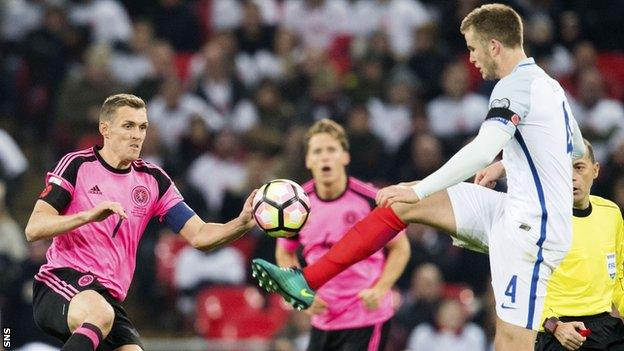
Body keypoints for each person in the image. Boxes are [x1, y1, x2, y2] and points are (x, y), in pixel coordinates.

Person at [250, 4, 585, 351]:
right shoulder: (548, 86)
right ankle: (305, 280)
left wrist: (430, 186)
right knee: (401, 198)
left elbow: (482, 150)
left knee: (510, 343)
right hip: (512, 210)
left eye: (472, 48)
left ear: (494, 46)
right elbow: (574, 146)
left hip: (534, 231)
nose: (470, 58)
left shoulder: (512, 87)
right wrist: (507, 164)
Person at [25, 94, 257, 351]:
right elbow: (34, 229)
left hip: (107, 299)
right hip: (60, 283)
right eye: (128, 126)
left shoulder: (153, 180)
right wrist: (87, 216)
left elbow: (200, 235)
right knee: (100, 315)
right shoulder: (78, 165)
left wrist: (241, 224)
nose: (138, 135)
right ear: (106, 129)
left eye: (142, 127)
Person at [273, 119, 410, 351]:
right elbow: (285, 254)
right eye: (317, 151)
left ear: (345, 157)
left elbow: (400, 248)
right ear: (308, 160)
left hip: (365, 316)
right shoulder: (296, 205)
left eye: (331, 150)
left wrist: (381, 288)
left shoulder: (370, 199)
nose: (325, 157)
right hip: (323, 317)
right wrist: (299, 294)